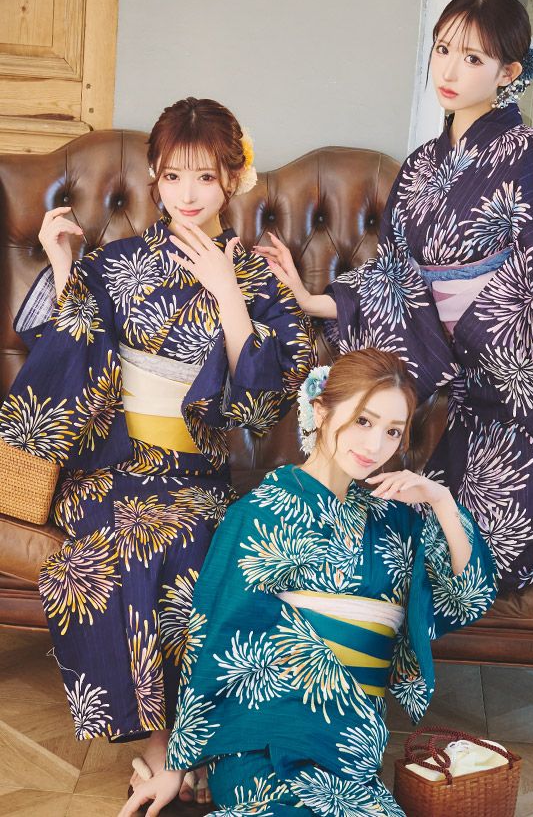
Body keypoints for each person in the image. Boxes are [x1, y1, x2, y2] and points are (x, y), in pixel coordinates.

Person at [255, 0, 533, 591]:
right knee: (419, 539)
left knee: (479, 560)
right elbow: (395, 278)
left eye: (473, 58)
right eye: (442, 50)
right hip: (477, 393)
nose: (450, 71)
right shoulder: (420, 167)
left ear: (509, 73)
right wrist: (310, 300)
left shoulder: (531, 155)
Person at [0, 97, 316, 805]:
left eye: (205, 176)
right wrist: (62, 266)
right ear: (155, 177)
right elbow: (70, 355)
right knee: (127, 543)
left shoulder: (257, 277)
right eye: (173, 176)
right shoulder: (116, 263)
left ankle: (183, 746)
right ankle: (168, 745)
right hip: (109, 465)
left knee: (193, 542)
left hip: (194, 472)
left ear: (233, 177)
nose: (188, 194)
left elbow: (262, 408)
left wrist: (229, 296)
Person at [119, 348, 497, 816]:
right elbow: (212, 642)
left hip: (350, 745)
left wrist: (441, 502)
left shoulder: (399, 520)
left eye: (392, 431)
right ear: (321, 411)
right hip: (264, 732)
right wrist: (178, 764)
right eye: (363, 421)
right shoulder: (258, 512)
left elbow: (467, 598)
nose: (376, 445)